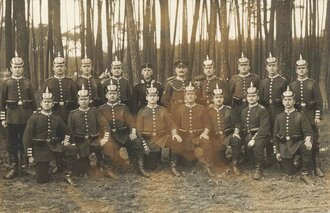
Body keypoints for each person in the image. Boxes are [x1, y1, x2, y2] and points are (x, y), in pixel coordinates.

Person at [0, 53, 37, 179]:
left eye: (19, 67)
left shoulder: (28, 83)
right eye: (15, 67)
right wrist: (3, 118)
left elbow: (33, 102)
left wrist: (34, 117)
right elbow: (2, 103)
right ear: (11, 68)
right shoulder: (6, 83)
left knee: (25, 142)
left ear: (23, 68)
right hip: (11, 118)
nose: (17, 69)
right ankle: (13, 167)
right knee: (12, 143)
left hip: (26, 118)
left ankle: (24, 167)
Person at [98, 80, 146, 177]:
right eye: (110, 93)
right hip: (111, 136)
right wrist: (104, 137)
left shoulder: (123, 107)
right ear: (106, 95)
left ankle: (139, 167)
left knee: (137, 142)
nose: (112, 95)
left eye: (114, 93)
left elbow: (131, 122)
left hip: (124, 134)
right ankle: (108, 169)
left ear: (118, 95)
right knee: (108, 147)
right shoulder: (101, 109)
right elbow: (101, 126)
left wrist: (132, 132)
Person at [136, 83, 183, 176]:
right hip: (149, 139)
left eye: (154, 96)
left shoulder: (163, 110)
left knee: (176, 141)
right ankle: (141, 166)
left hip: (162, 138)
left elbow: (171, 124)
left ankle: (173, 166)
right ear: (146, 98)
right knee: (152, 166)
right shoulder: (142, 111)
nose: (152, 98)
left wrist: (174, 134)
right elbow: (139, 131)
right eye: (150, 96)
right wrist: (144, 144)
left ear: (158, 98)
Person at [289, 55, 324, 177]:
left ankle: (316, 165)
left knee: (314, 141)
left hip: (310, 116)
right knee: (299, 139)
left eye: (303, 68)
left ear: (307, 69)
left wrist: (317, 116)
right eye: (299, 68)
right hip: (297, 117)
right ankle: (300, 162)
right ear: (296, 70)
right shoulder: (292, 85)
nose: (301, 70)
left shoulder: (312, 83)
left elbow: (319, 102)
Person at [23, 88, 66, 183]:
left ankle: (65, 171)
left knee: (70, 150)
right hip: (40, 149)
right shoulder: (34, 118)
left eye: (49, 102)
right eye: (45, 101)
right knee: (42, 180)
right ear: (41, 103)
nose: (47, 104)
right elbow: (27, 138)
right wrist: (30, 156)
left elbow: (66, 132)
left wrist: (65, 141)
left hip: (54, 147)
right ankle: (46, 169)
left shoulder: (57, 118)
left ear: (53, 104)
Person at [273, 86, 314, 184]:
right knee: (289, 172)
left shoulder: (300, 115)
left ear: (294, 101)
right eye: (285, 100)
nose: (287, 102)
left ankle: (305, 172)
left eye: (290, 100)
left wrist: (308, 141)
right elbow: (275, 136)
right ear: (282, 102)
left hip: (296, 143)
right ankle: (296, 162)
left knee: (305, 147)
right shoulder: (279, 117)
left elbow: (308, 131)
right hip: (284, 146)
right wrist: (277, 152)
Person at [64, 84, 105, 177]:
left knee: (104, 153)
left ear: (89, 100)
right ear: (78, 101)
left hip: (94, 141)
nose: (84, 101)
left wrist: (104, 138)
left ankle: (102, 164)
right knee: (82, 169)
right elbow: (69, 130)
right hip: (81, 143)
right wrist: (71, 142)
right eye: (81, 99)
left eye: (86, 99)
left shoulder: (94, 111)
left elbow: (103, 124)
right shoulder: (73, 114)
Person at [173, 82, 213, 176]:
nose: (190, 96)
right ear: (185, 96)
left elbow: (208, 124)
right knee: (175, 142)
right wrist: (176, 134)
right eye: (188, 94)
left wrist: (204, 133)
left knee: (207, 142)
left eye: (192, 94)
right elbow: (175, 125)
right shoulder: (179, 109)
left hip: (197, 137)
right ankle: (174, 165)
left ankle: (208, 166)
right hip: (184, 137)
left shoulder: (201, 109)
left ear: (195, 96)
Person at [259, 53, 289, 165]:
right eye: (269, 66)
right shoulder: (263, 82)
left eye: (274, 65)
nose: (272, 68)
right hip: (266, 112)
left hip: (279, 110)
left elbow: (288, 97)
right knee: (268, 132)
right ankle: (270, 156)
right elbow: (261, 99)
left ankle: (282, 156)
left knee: (280, 132)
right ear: (266, 68)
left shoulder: (283, 81)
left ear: (277, 66)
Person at [205, 84, 242, 175]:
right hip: (215, 137)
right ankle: (211, 165)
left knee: (236, 140)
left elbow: (237, 123)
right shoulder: (209, 112)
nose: (218, 99)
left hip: (227, 136)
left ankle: (235, 165)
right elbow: (207, 125)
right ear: (213, 99)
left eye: (220, 97)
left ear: (223, 98)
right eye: (216, 97)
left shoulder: (229, 110)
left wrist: (236, 133)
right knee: (221, 161)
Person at [240, 82, 270, 180]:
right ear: (247, 97)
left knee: (258, 144)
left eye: (254, 96)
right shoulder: (244, 111)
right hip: (248, 134)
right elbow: (242, 125)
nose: (251, 98)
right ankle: (249, 162)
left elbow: (264, 127)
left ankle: (259, 169)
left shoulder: (262, 110)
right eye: (249, 96)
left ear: (257, 97)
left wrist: (254, 138)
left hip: (260, 135)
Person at [43, 52, 77, 122]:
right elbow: (43, 99)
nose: (59, 68)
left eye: (61, 66)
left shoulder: (70, 82)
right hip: (53, 113)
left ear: (65, 68)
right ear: (53, 68)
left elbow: (75, 98)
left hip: (69, 112)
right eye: (57, 66)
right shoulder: (48, 82)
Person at [229, 53, 260, 117]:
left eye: (245, 65)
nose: (243, 67)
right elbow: (230, 93)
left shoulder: (255, 78)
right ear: (238, 67)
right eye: (241, 65)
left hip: (251, 105)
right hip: (237, 106)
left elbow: (259, 92)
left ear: (249, 67)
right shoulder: (234, 79)